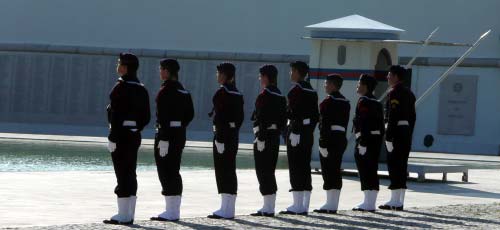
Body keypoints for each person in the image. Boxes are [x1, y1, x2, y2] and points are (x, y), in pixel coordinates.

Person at [104, 53, 151, 225]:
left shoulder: (121, 87)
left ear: (125, 67)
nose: (118, 66)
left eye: (119, 63)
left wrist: (112, 137)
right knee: (130, 172)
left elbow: (116, 114)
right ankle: (129, 213)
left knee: (122, 173)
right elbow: (146, 116)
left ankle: (123, 215)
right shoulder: (141, 88)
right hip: (133, 134)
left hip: (121, 134)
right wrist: (136, 127)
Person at [150, 59, 194, 222]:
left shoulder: (165, 91)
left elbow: (162, 116)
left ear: (168, 71)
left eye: (161, 69)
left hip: (166, 135)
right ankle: (174, 210)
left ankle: (170, 211)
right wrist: (179, 126)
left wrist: (164, 138)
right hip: (179, 133)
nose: (160, 72)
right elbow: (190, 114)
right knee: (174, 170)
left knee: (165, 171)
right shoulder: (184, 91)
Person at [280, 61, 319, 215]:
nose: (290, 74)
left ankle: (297, 205)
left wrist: (295, 130)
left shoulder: (296, 90)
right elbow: (315, 117)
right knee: (305, 167)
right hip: (307, 134)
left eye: (292, 71)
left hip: (296, 133)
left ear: (297, 72)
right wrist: (307, 130)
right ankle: (304, 205)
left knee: (296, 167)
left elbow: (294, 114)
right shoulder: (312, 91)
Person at [207, 62, 244, 219]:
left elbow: (220, 117)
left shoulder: (222, 93)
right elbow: (239, 119)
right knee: (230, 170)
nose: (218, 76)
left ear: (225, 75)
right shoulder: (237, 93)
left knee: (222, 170)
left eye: (220, 73)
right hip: (233, 135)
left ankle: (225, 209)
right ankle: (229, 208)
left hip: (223, 136)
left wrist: (220, 138)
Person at [250, 65, 287, 217]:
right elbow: (283, 119)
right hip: (274, 136)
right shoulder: (280, 95)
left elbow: (261, 118)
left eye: (260, 76)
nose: (260, 79)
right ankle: (269, 205)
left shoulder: (265, 95)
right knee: (269, 170)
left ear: (265, 77)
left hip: (264, 137)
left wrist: (260, 138)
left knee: (263, 171)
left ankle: (268, 206)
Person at [379, 65, 416, 211]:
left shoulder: (395, 92)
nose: (387, 77)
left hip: (396, 133)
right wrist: (409, 132)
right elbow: (413, 117)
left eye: (389, 75)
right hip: (405, 132)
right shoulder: (409, 93)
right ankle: (399, 200)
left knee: (394, 165)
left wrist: (389, 137)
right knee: (402, 165)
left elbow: (393, 116)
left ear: (396, 77)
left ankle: (395, 200)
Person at [313, 74, 350, 214]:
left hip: (330, 139)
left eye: (326, 83)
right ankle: (333, 204)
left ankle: (330, 204)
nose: (325, 85)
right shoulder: (345, 101)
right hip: (341, 138)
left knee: (328, 170)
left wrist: (322, 143)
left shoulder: (328, 102)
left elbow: (325, 124)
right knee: (336, 170)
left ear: (333, 85)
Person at [352, 74, 384, 212]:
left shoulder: (363, 101)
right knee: (372, 169)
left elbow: (364, 122)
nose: (357, 86)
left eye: (359, 83)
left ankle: (368, 202)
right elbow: (381, 126)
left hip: (366, 140)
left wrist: (362, 142)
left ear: (365, 86)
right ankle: (370, 201)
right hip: (375, 140)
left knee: (365, 169)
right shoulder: (376, 101)